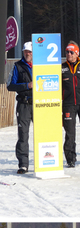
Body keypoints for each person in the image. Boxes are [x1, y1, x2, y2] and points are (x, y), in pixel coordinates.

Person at [7, 42, 33, 174]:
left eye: (29, 51)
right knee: (23, 135)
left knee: (43, 133)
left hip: (40, 104)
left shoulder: (42, 65)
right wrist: (26, 85)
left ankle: (45, 161)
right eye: (25, 51)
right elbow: (10, 86)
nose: (27, 54)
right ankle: (23, 164)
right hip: (24, 104)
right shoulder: (17, 66)